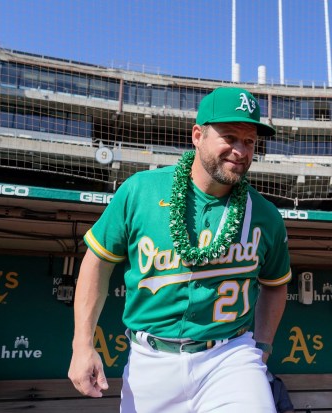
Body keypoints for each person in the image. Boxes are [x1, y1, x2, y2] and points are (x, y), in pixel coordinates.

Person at [68, 86, 292, 413]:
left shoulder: (266, 215)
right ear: (197, 135)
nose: (241, 151)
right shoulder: (140, 191)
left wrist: (263, 346)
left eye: (250, 141)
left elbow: (275, 285)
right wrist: (82, 344)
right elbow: (97, 263)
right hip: (151, 359)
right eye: (230, 137)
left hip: (229, 357)